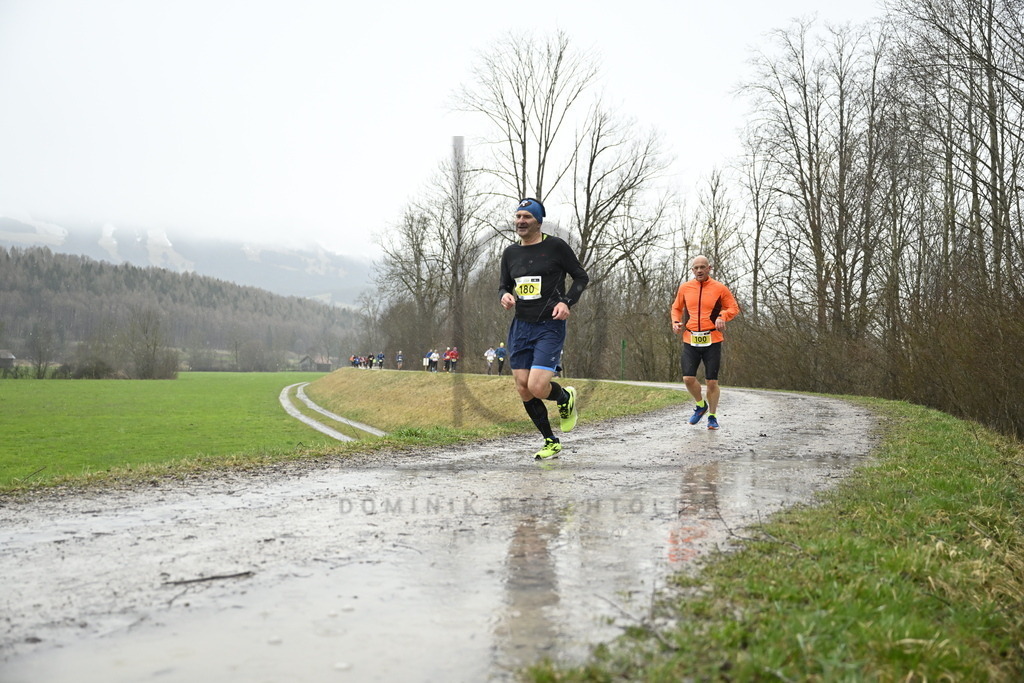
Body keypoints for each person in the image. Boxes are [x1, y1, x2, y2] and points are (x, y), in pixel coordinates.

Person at [499, 197, 589, 459]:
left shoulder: (556, 247)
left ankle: (563, 398)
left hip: (549, 325)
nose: (520, 221)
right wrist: (504, 295)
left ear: (538, 221)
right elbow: (504, 285)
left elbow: (581, 277)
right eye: (517, 217)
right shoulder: (510, 253)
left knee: (538, 387)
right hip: (521, 326)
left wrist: (567, 302)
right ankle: (550, 440)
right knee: (522, 387)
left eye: (526, 217)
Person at [670, 254, 740, 430]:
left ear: (709, 268)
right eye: (696, 268)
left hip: (712, 339)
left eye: (703, 267)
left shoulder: (720, 288)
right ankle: (701, 405)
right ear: (692, 270)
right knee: (687, 378)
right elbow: (676, 308)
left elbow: (733, 308)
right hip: (690, 338)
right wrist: (676, 322)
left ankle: (712, 416)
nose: (699, 270)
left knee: (711, 382)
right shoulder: (685, 288)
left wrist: (723, 316)